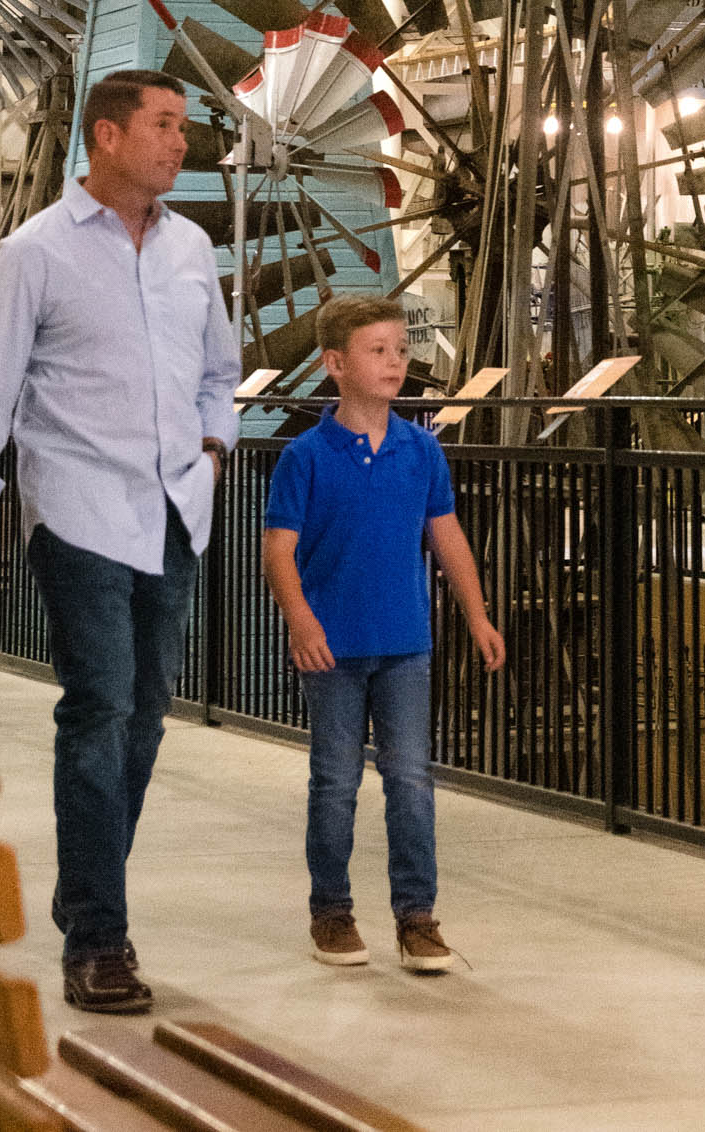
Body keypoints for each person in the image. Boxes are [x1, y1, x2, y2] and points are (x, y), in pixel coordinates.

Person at [0, 69, 241, 1017]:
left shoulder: (191, 248)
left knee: (146, 713)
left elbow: (220, 370)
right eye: (161, 124)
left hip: (175, 512)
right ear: (105, 136)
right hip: (77, 513)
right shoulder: (35, 253)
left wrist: (214, 443)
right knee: (100, 707)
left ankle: (83, 887)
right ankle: (99, 937)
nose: (179, 141)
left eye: (181, 125)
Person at [262, 294, 504, 973]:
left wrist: (476, 613)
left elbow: (446, 535)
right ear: (335, 364)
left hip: (405, 643)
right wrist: (301, 619)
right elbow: (277, 550)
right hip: (332, 647)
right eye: (378, 351)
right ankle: (331, 912)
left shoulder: (421, 450)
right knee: (335, 781)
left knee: (411, 780)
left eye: (400, 349)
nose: (395, 361)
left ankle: (417, 916)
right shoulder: (304, 457)